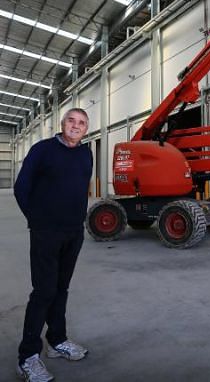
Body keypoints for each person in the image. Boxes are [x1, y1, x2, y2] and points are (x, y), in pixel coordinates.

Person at [15, 108, 93, 381]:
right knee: (44, 291)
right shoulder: (42, 150)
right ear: (62, 124)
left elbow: (81, 186)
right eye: (71, 120)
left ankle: (57, 341)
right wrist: (37, 220)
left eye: (81, 123)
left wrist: (78, 219)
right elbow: (21, 186)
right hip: (46, 232)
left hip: (73, 232)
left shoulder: (86, 153)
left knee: (61, 288)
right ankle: (27, 356)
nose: (75, 125)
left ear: (86, 129)